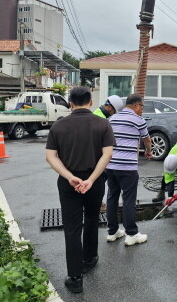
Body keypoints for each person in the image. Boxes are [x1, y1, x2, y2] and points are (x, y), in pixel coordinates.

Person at [45, 86, 115, 294]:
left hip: (69, 183)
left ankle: (75, 278)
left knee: (72, 227)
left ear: (70, 104)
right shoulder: (103, 124)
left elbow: (51, 156)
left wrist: (70, 177)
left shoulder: (59, 126)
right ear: (91, 102)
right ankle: (90, 258)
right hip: (95, 181)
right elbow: (107, 155)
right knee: (92, 218)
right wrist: (92, 179)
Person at [105, 94, 152, 246]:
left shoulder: (112, 119)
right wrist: (148, 151)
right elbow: (147, 139)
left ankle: (112, 232)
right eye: (142, 107)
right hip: (127, 167)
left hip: (110, 165)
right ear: (137, 105)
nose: (142, 110)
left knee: (112, 197)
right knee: (128, 199)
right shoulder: (138, 120)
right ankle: (131, 234)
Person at [92, 95, 124, 212]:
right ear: (110, 107)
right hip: (99, 156)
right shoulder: (103, 120)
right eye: (114, 111)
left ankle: (96, 203)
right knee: (99, 182)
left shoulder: (96, 113)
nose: (113, 113)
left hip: (94, 154)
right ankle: (98, 205)